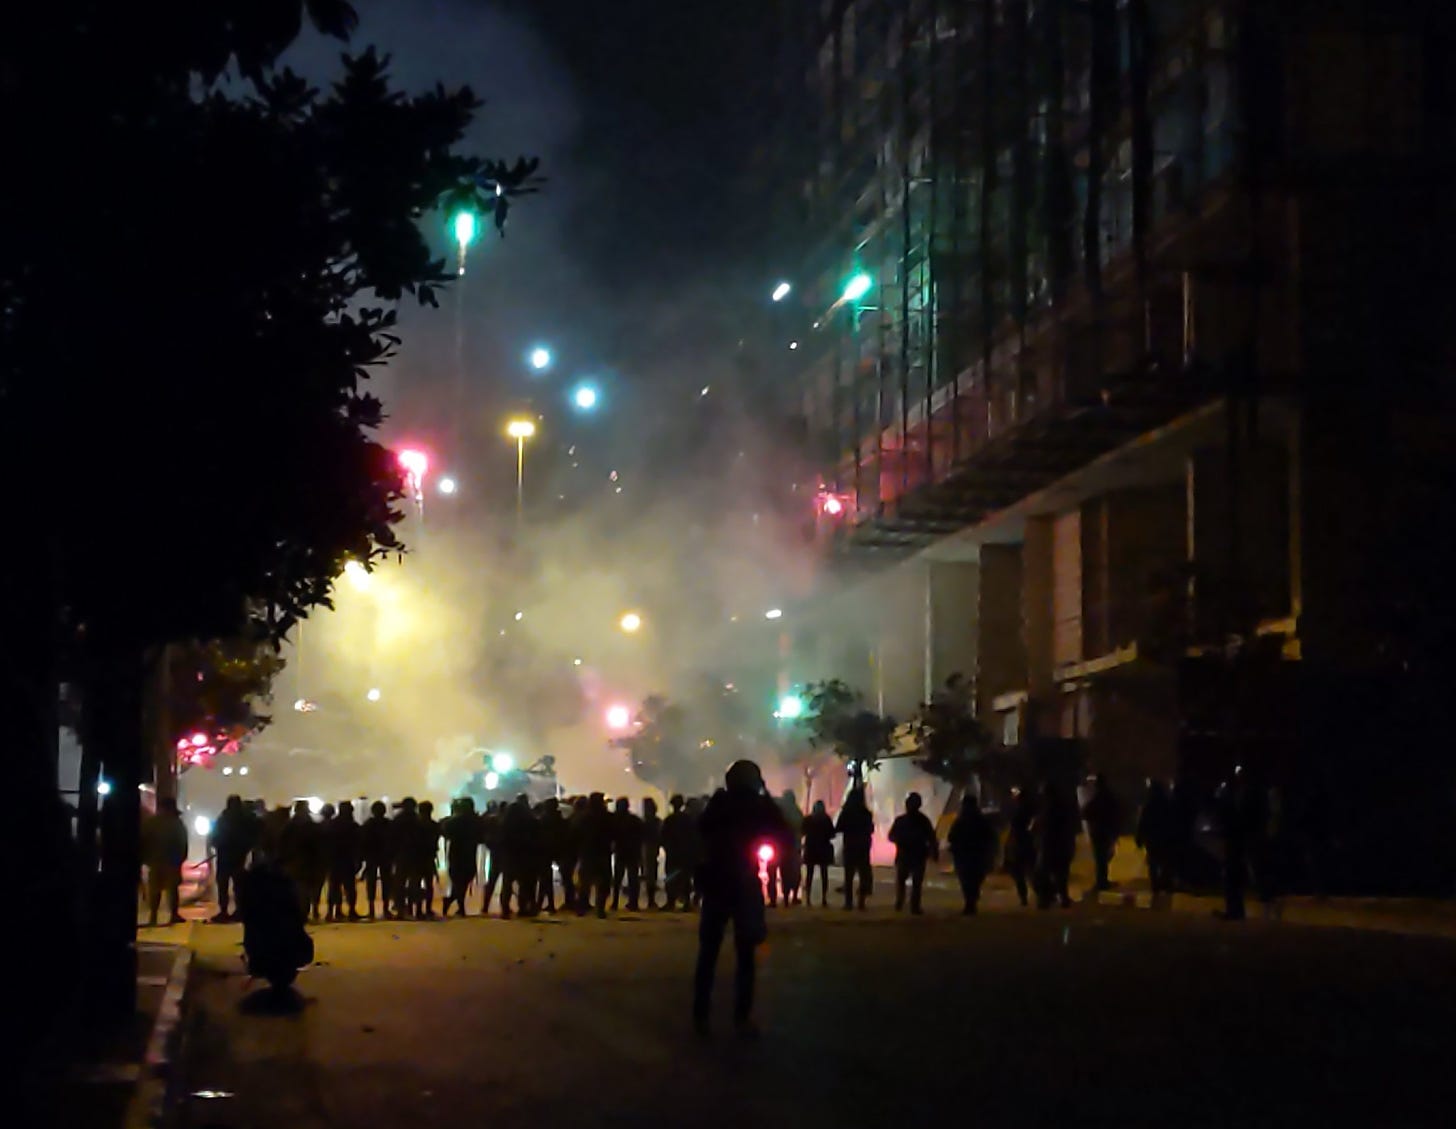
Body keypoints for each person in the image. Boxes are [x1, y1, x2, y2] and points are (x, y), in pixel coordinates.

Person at [692, 760, 790, 1038]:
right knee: (745, 955)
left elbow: (701, 830)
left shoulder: (719, 804)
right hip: (743, 883)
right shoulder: (758, 806)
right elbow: (783, 831)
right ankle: (741, 1017)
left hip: (716, 882)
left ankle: (701, 1016)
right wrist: (766, 794)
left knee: (708, 953)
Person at [889, 792, 939, 914]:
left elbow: (892, 836)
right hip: (914, 854)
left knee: (905, 881)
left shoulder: (903, 820)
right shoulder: (922, 821)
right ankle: (911, 905)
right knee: (913, 882)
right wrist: (933, 851)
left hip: (908, 854)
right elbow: (932, 838)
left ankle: (902, 903)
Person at [141, 797, 188, 927]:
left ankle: (153, 916)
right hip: (172, 861)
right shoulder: (176, 823)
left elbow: (143, 840)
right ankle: (174, 914)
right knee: (172, 889)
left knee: (155, 890)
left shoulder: (151, 823)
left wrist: (145, 858)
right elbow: (182, 843)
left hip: (155, 860)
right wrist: (180, 858)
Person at [210, 794, 258, 922]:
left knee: (224, 885)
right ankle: (239, 911)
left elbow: (215, 836)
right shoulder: (246, 819)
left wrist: (217, 845)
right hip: (238, 856)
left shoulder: (224, 818)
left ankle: (224, 911)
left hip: (225, 855)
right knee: (238, 886)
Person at [947, 795, 996, 914]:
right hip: (975, 855)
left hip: (966, 855)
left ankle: (970, 901)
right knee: (973, 879)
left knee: (967, 879)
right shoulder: (980, 820)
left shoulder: (961, 820)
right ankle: (971, 901)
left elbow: (951, 837)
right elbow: (990, 837)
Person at [1033, 783, 1077, 909]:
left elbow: (1043, 828)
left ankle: (1046, 899)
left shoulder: (1049, 809)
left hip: (1050, 846)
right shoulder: (1061, 808)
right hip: (1061, 846)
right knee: (1061, 874)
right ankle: (1062, 898)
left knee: (1042, 874)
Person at [279, 800, 322, 920]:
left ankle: (300, 913)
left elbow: (282, 843)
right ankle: (311, 911)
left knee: (298, 888)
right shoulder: (312, 824)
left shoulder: (289, 825)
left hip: (294, 861)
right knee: (310, 888)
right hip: (310, 860)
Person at [441, 797, 481, 917]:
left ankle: (452, 901)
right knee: (463, 880)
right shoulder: (475, 821)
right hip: (468, 852)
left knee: (459, 881)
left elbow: (444, 831)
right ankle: (460, 907)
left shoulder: (453, 821)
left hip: (457, 853)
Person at [1135, 780, 1176, 897]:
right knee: (1166, 861)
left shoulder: (1149, 806)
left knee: (1153, 862)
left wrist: (1139, 839)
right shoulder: (1168, 804)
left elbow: (1143, 823)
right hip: (1165, 838)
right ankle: (1166, 883)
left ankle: (1156, 886)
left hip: (1152, 839)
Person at [836, 787, 875, 910]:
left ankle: (848, 903)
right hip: (863, 846)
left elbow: (838, 827)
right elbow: (871, 829)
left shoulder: (846, 812)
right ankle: (861, 902)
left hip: (850, 845)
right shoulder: (866, 813)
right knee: (863, 874)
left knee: (849, 875)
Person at [577, 793, 615, 918]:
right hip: (603, 853)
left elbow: (575, 835)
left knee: (585, 883)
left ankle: (582, 908)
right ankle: (600, 909)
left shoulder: (584, 818)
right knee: (603, 883)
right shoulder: (608, 817)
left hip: (587, 853)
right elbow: (615, 834)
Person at [1081, 774, 1121, 891]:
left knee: (1100, 858)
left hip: (1098, 832)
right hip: (1107, 832)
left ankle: (1101, 882)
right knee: (1104, 857)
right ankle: (1103, 880)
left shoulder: (1097, 797)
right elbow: (1117, 814)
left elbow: (1085, 812)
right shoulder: (1110, 797)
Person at [326, 800, 363, 922]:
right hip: (348, 861)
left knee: (334, 887)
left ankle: (332, 911)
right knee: (350, 888)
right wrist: (359, 860)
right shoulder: (353, 826)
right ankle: (351, 911)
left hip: (333, 860)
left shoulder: (331, 825)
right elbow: (358, 845)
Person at [360, 800, 394, 919]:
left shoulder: (368, 824)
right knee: (387, 883)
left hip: (372, 857)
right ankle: (386, 909)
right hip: (386, 856)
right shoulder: (389, 824)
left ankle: (371, 910)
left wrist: (363, 856)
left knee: (371, 883)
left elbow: (363, 841)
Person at [388, 798, 421, 918]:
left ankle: (401, 908)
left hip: (401, 855)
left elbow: (392, 839)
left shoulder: (398, 820)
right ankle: (415, 909)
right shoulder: (418, 819)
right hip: (416, 855)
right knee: (415, 882)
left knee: (399, 883)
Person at [1003, 787, 1036, 907]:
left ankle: (1025, 898)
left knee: (1020, 873)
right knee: (1029, 872)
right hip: (1026, 844)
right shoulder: (1029, 812)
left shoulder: (1019, 813)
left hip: (1020, 845)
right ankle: (1034, 896)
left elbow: (1014, 829)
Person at [611, 797, 644, 912]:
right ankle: (633, 903)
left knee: (617, 879)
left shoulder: (614, 820)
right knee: (633, 879)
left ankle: (615, 902)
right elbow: (641, 836)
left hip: (621, 851)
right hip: (633, 852)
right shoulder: (634, 820)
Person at [661, 794, 693, 911]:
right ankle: (687, 903)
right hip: (684, 853)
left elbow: (663, 836)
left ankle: (671, 902)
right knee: (684, 878)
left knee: (671, 877)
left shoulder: (670, 820)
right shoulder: (688, 819)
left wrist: (667, 847)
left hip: (673, 853)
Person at [801, 799, 835, 906]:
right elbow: (832, 834)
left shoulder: (808, 819)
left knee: (809, 874)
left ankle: (808, 899)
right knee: (824, 874)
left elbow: (802, 831)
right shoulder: (827, 820)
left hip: (811, 848)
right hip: (823, 849)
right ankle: (824, 899)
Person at [537, 798, 568, 913]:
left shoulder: (543, 820)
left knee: (545, 879)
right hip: (559, 850)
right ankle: (551, 904)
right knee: (564, 879)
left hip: (545, 851)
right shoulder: (561, 819)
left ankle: (544, 903)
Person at [415, 800, 440, 918]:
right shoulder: (434, 825)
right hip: (429, 857)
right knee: (429, 884)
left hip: (417, 857)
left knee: (417, 883)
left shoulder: (415, 825)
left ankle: (418, 909)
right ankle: (428, 909)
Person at [640, 796, 663, 910]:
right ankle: (651, 900)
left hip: (646, 848)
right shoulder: (657, 821)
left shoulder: (642, 822)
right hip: (653, 848)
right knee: (651, 874)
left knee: (649, 874)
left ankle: (650, 900)